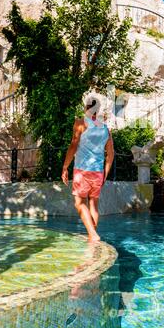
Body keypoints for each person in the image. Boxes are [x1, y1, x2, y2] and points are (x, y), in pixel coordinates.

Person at [61, 98, 114, 242]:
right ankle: (93, 236)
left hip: (82, 170)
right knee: (93, 204)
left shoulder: (80, 123)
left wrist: (65, 166)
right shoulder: (104, 128)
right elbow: (111, 154)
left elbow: (73, 145)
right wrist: (105, 174)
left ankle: (93, 234)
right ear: (98, 109)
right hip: (98, 172)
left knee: (79, 203)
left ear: (86, 108)